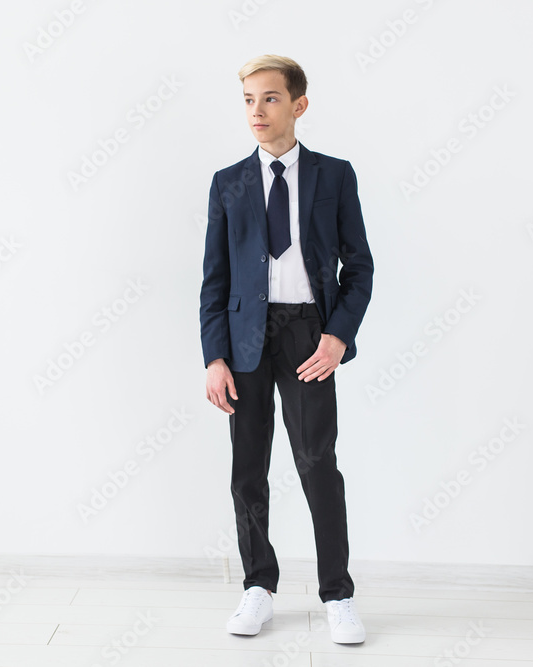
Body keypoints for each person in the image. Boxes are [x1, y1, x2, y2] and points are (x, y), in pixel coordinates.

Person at [198, 54, 374, 645]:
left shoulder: (334, 175)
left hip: (308, 336)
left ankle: (338, 595)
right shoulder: (229, 183)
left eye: (270, 99)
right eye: (248, 100)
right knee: (247, 471)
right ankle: (257, 586)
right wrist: (214, 357)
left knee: (317, 463)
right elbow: (214, 281)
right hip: (246, 339)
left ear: (298, 105)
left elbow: (361, 266)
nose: (257, 111)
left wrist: (338, 334)